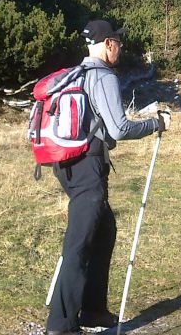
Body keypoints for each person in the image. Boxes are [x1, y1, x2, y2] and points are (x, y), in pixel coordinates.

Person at [46, 19, 171, 335]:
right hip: (87, 164)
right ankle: (61, 325)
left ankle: (92, 310)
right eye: (117, 41)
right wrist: (155, 124)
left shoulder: (79, 73)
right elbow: (119, 128)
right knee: (79, 243)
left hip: (70, 163)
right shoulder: (103, 77)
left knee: (104, 230)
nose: (121, 46)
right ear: (108, 44)